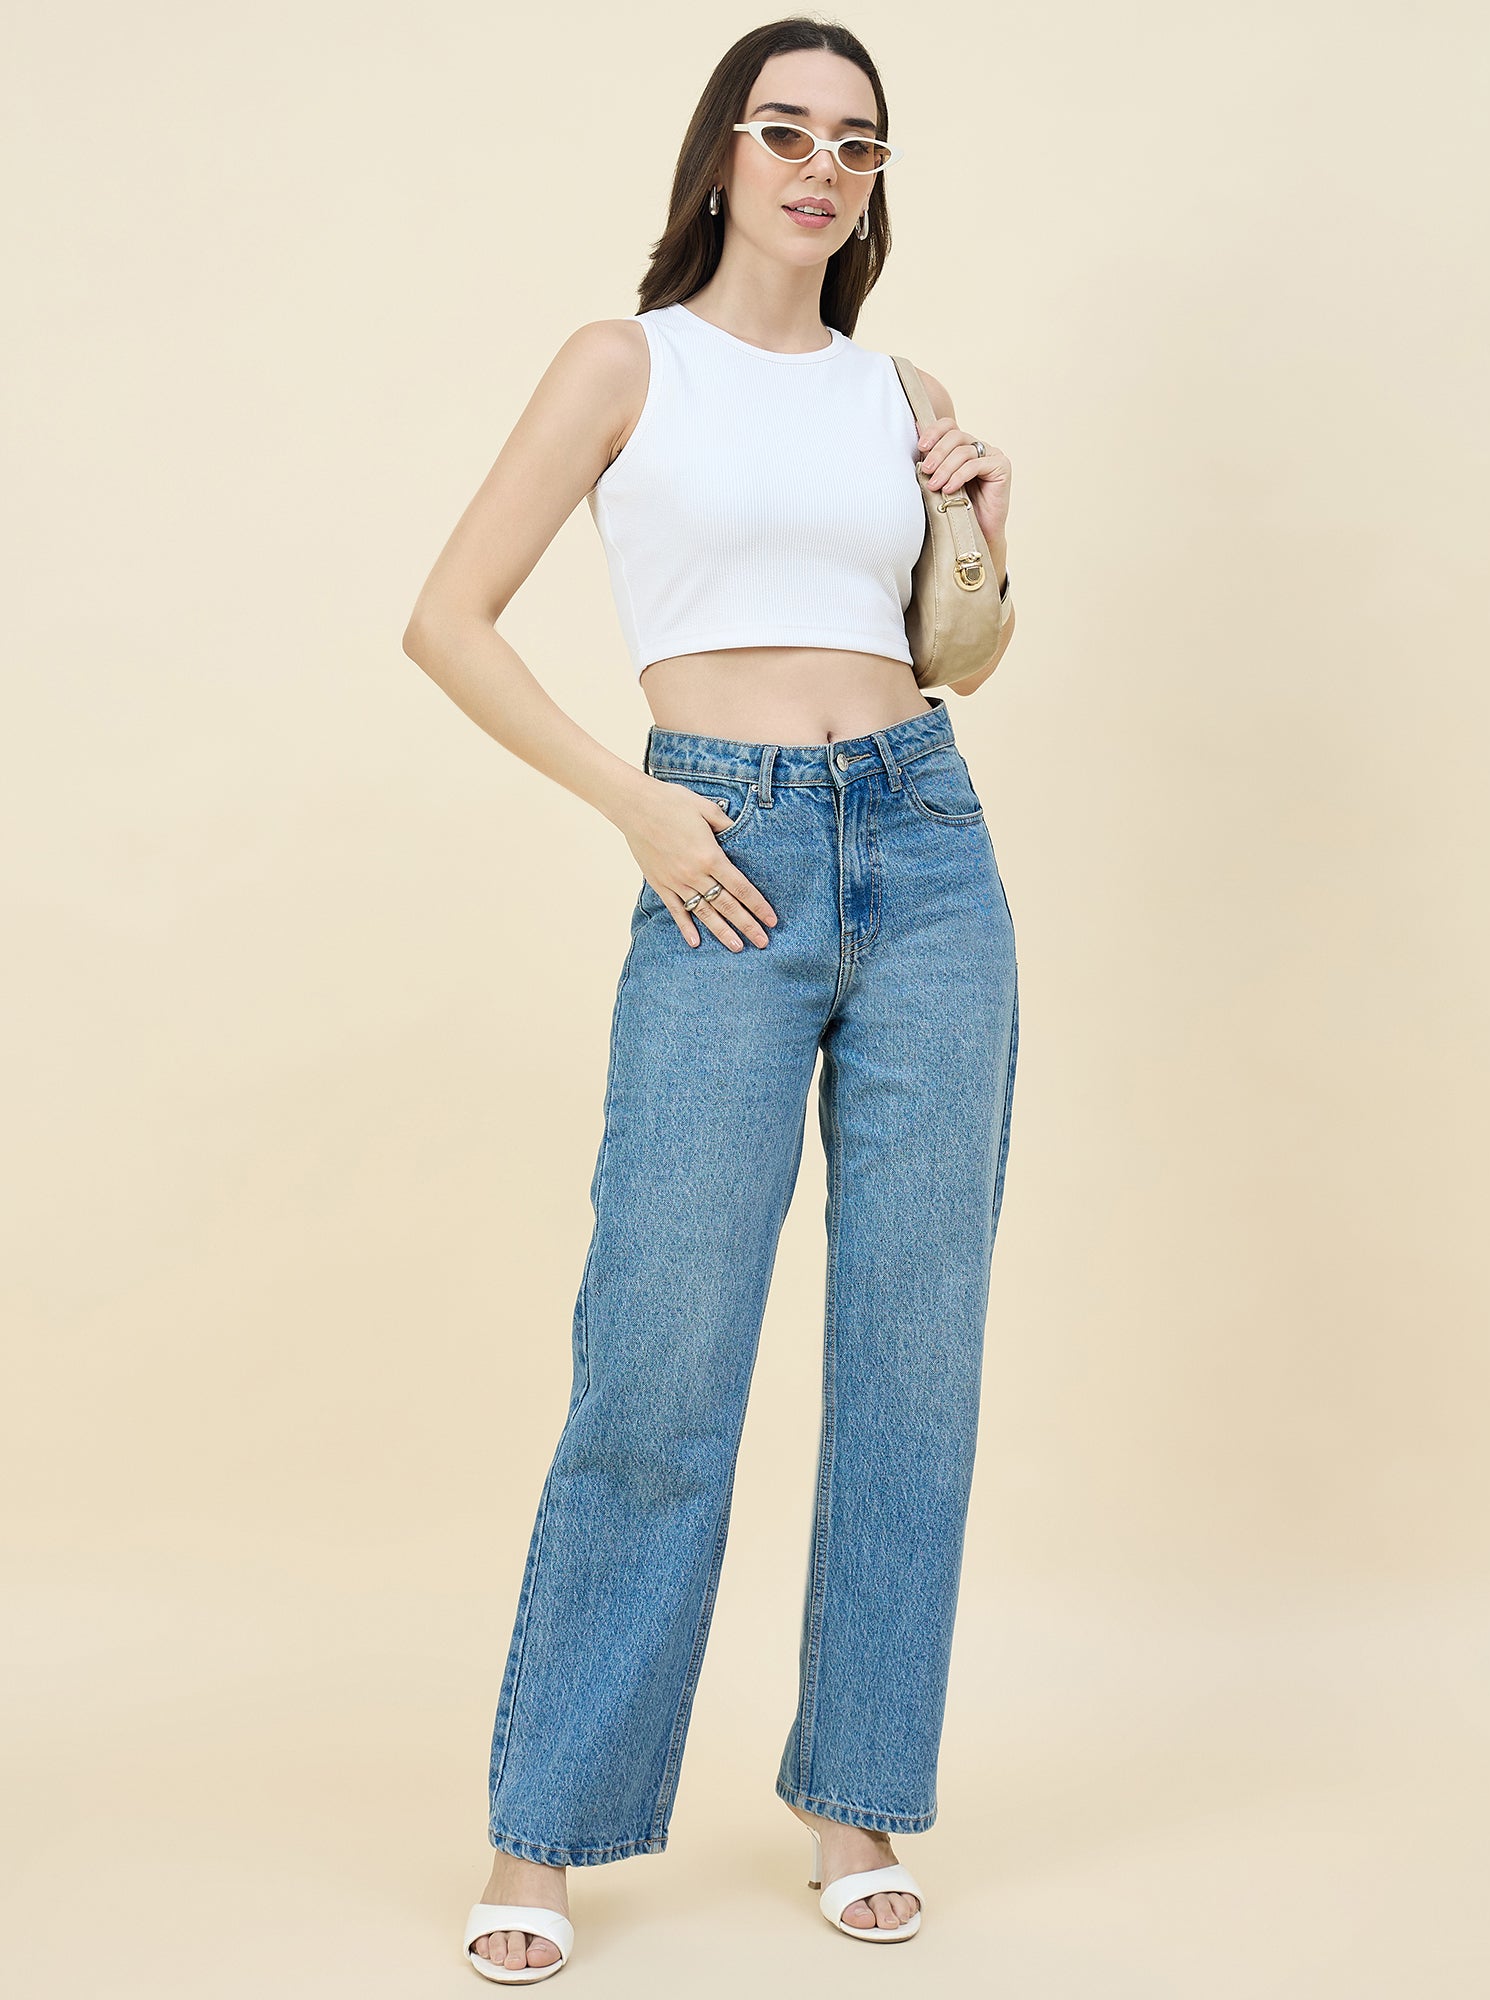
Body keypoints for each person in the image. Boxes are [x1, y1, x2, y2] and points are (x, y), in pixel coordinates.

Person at [403, 19, 1020, 1984]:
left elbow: (957, 657)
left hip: (926, 849)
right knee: (659, 1363)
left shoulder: (899, 387)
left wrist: (989, 510)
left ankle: (858, 1798)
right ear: (721, 156)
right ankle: (546, 1831)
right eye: (785, 130)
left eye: (855, 141)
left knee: (910, 1364)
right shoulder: (624, 362)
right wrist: (637, 809)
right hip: (723, 854)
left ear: (873, 179)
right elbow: (445, 616)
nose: (819, 166)